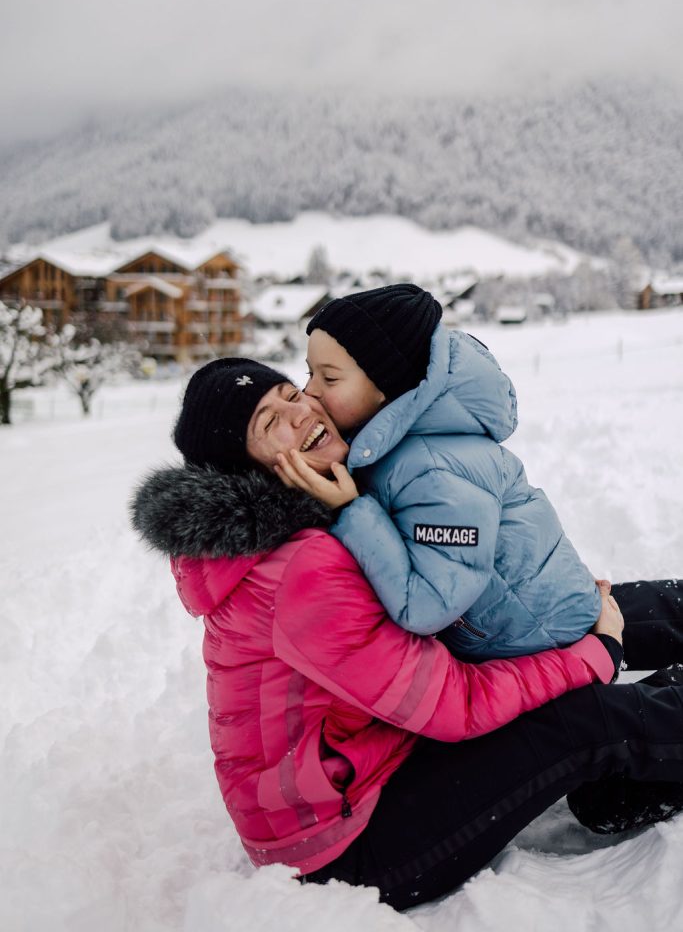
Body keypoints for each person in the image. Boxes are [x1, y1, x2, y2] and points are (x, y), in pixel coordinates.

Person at [131, 356, 683, 912]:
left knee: (582, 608)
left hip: (383, 752)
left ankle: (617, 772)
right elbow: (452, 703)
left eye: (289, 395)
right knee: (582, 722)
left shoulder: (321, 501)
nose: (297, 415)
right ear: (245, 470)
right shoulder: (297, 570)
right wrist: (596, 653)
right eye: (268, 423)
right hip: (342, 848)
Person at [273, 283, 601, 659]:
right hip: (518, 628)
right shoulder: (388, 445)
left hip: (537, 638)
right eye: (309, 373)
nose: (308, 391)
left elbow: (427, 604)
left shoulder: (433, 468)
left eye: (329, 378)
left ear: (388, 387)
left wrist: (351, 511)